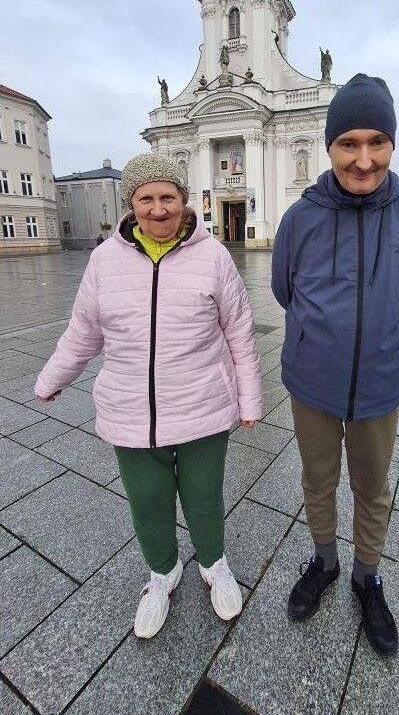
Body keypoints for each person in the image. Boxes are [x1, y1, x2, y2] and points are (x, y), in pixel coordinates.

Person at [35, 153, 262, 639]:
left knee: (203, 494)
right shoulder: (104, 260)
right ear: (131, 204)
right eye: (146, 198)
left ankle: (214, 563)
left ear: (184, 201)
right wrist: (51, 378)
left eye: (168, 197)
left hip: (202, 404)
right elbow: (84, 331)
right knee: (147, 499)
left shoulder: (213, 257)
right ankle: (163, 572)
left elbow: (240, 333)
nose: (158, 209)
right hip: (130, 410)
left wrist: (249, 401)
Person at [272, 74, 399, 657]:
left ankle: (368, 578)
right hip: (311, 381)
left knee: (372, 487)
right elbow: (284, 289)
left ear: (392, 144)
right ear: (329, 146)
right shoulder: (300, 218)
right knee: (318, 479)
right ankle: (324, 562)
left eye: (377, 142)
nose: (363, 159)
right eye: (349, 143)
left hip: (379, 384)